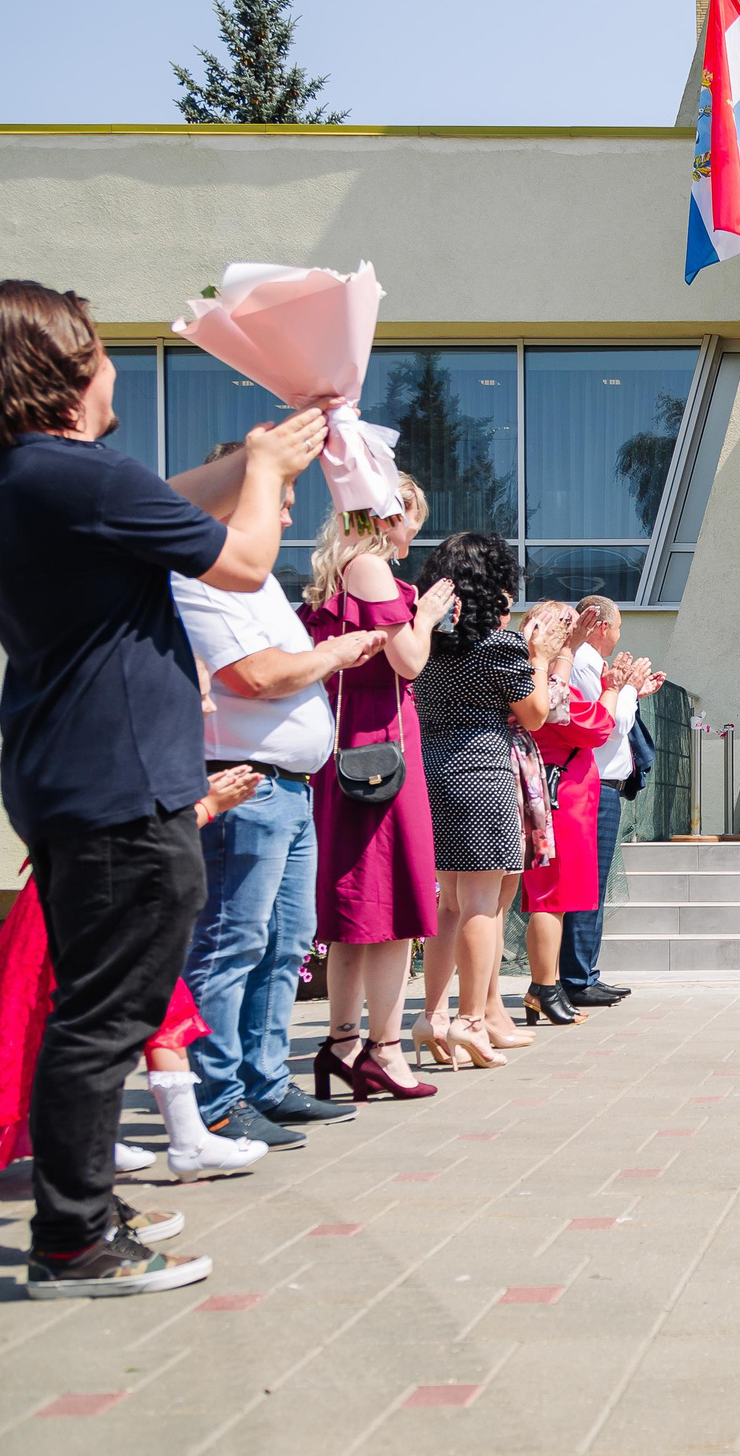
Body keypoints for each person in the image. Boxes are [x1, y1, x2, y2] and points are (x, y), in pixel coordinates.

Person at [0, 278, 323, 1297]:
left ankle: (84, 1209)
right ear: (71, 369)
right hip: (123, 789)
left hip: (67, 774)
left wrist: (250, 460)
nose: (115, 367)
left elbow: (165, 504)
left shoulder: (11, 479)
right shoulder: (76, 478)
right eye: (105, 352)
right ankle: (74, 1241)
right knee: (105, 1021)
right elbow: (245, 563)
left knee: (91, 1009)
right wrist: (262, 472)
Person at [174, 442, 389, 1153]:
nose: (291, 508)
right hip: (247, 784)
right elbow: (256, 675)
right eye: (280, 491)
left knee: (285, 945)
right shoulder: (203, 572)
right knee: (232, 942)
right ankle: (217, 1096)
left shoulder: (257, 577)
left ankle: (264, 1081)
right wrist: (337, 652)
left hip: (287, 789)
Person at [0, 766, 265, 1181]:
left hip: (62, 896)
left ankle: (100, 1141)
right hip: (98, 899)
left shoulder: (59, 746)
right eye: (206, 697)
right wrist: (208, 806)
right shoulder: (110, 746)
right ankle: (185, 1142)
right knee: (154, 1011)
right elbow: (133, 838)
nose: (208, 707)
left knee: (94, 1017)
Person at [299, 474, 452, 1100]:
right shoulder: (371, 568)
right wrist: (429, 614)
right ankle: (382, 1049)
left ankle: (343, 1044)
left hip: (359, 742)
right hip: (380, 746)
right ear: (385, 517)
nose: (413, 530)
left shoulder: (348, 569)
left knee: (361, 904)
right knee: (388, 904)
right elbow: (409, 661)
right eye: (408, 515)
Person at [412, 534, 565, 1070]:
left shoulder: (425, 643)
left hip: (433, 769)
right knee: (481, 903)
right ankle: (471, 1019)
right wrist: (541, 658)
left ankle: (432, 1014)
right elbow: (536, 715)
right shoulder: (498, 648)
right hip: (482, 771)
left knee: (450, 902)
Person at [519, 601, 625, 1027]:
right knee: (552, 897)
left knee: (559, 898)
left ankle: (543, 986)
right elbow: (594, 725)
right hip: (559, 795)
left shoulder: (539, 676)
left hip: (565, 792)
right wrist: (614, 689)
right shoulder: (538, 680)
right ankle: (545, 987)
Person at [561, 595, 658, 1008]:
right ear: (602, 626)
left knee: (593, 886)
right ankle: (577, 977)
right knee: (587, 886)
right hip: (594, 786)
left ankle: (584, 973)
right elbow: (610, 724)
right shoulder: (582, 661)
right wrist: (630, 691)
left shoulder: (589, 662)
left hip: (603, 786)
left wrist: (633, 692)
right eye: (618, 627)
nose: (619, 637)